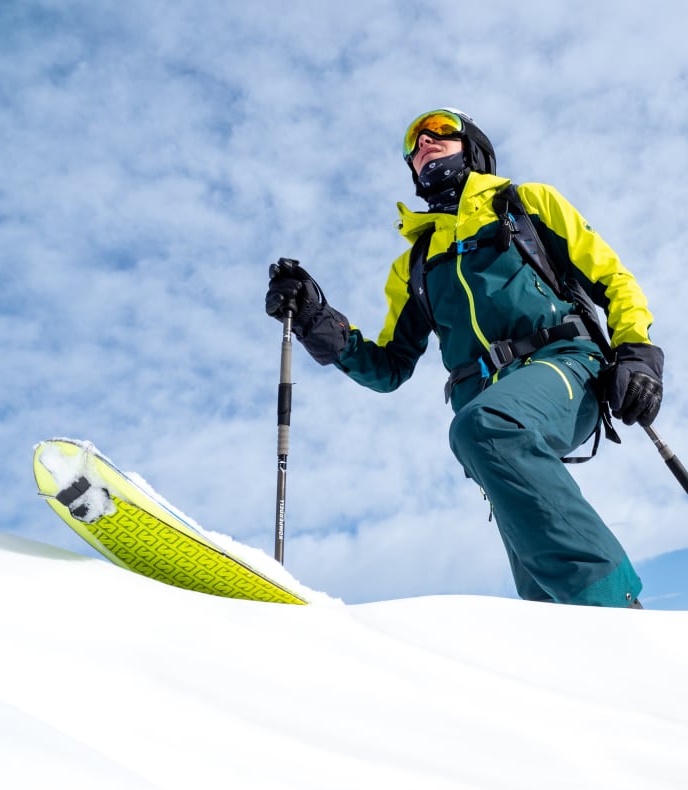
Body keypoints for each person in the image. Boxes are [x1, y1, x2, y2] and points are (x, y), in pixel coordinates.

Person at [265, 107, 664, 608]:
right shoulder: (414, 264)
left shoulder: (525, 204)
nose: (424, 143)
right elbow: (389, 367)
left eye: (440, 132)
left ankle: (615, 606)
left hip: (564, 366)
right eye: (414, 145)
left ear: (471, 145)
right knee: (539, 585)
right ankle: (588, 665)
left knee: (486, 428)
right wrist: (313, 319)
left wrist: (638, 353)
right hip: (488, 407)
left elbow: (611, 278)